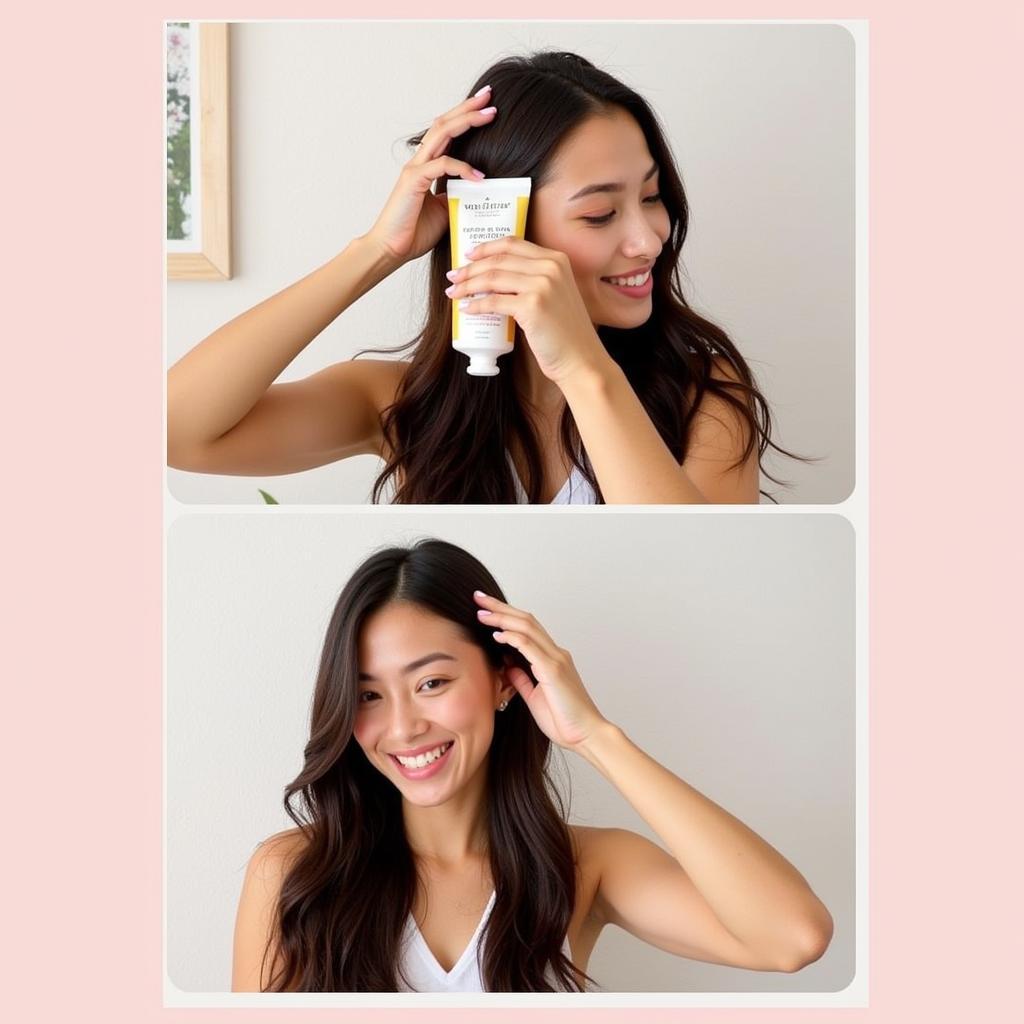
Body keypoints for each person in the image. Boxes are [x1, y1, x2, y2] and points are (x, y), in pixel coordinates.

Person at [168, 51, 791, 504]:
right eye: (600, 212)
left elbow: (689, 569)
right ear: (499, 222)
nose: (647, 238)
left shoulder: (701, 393)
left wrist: (581, 366)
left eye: (652, 198)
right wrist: (376, 252)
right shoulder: (403, 408)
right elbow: (175, 433)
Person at [231, 540, 833, 992]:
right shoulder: (293, 874)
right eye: (368, 696)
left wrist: (594, 736)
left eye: (432, 682)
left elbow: (792, 938)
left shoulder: (586, 867)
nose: (403, 726)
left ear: (503, 681)